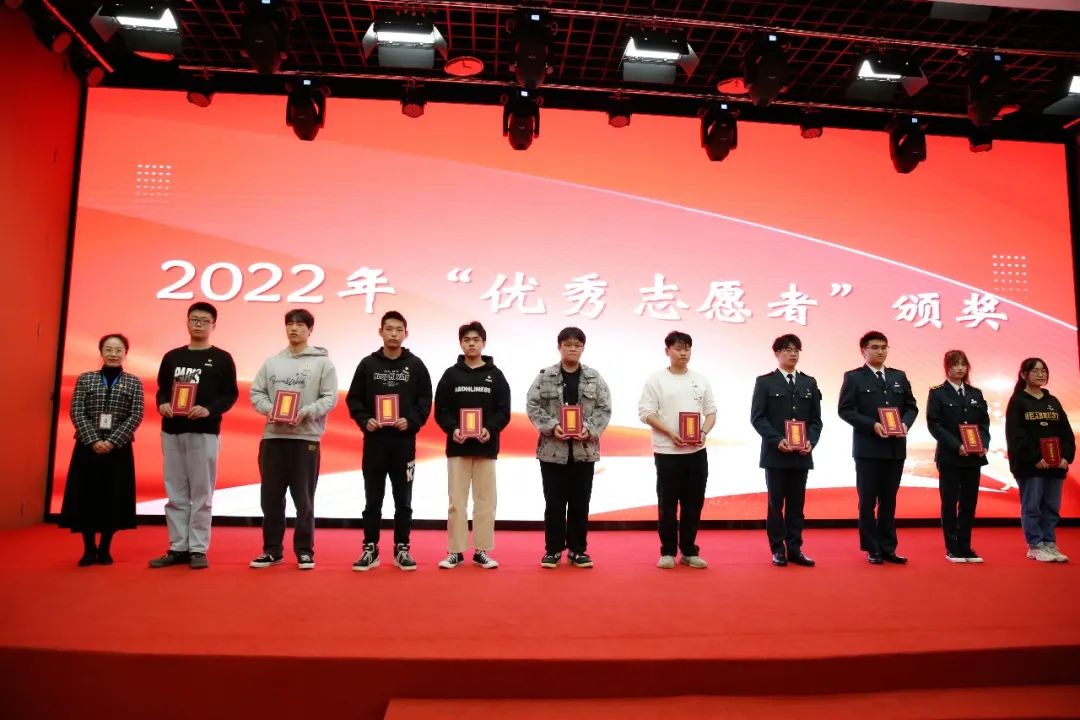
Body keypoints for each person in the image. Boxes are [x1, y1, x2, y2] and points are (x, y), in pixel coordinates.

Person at [149, 302, 239, 570]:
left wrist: (209, 409)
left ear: (214, 325)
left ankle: (198, 548)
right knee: (175, 491)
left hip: (204, 431)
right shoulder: (172, 357)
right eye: (194, 319)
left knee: (202, 492)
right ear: (187, 322)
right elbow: (161, 389)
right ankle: (178, 547)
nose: (198, 324)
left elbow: (230, 394)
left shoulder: (222, 358)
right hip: (172, 431)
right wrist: (163, 404)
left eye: (204, 320)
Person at [248, 309, 338, 571]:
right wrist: (270, 410)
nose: (294, 329)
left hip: (305, 438)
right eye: (290, 324)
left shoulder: (323, 363)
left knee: (304, 500)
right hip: (273, 437)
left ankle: (304, 551)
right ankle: (271, 551)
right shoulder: (272, 362)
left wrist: (306, 413)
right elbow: (256, 393)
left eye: (300, 325)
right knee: (271, 499)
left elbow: (329, 398)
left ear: (310, 330)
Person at [346, 311, 432, 572]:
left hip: (404, 444)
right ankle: (370, 548)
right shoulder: (368, 364)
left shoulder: (415, 365)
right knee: (372, 499)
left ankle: (402, 548)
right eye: (389, 329)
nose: (394, 334)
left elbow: (425, 400)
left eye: (399, 330)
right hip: (375, 443)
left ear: (406, 333)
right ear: (380, 332)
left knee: (403, 499)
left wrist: (412, 421)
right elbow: (354, 399)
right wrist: (365, 420)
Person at [526, 327, 612, 569]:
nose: (572, 349)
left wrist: (589, 429)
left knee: (580, 504)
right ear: (559, 347)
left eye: (577, 345)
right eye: (568, 345)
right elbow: (533, 406)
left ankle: (577, 550)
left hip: (584, 451)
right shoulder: (545, 376)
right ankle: (553, 550)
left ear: (583, 348)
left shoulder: (594, 377)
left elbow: (604, 408)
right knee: (554, 504)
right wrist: (552, 427)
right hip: (553, 451)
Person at [60, 334, 144, 566]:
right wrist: (94, 440)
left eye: (118, 350)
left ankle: (105, 548)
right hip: (87, 448)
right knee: (86, 496)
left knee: (113, 497)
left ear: (125, 353)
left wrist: (113, 441)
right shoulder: (85, 379)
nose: (113, 354)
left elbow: (136, 415)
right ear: (101, 352)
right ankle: (88, 549)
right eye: (108, 349)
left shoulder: (134, 382)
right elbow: (77, 411)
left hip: (119, 449)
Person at [433, 321, 512, 570]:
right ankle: (455, 551)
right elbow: (441, 410)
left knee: (485, 501)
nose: (471, 344)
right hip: (457, 447)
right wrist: (453, 429)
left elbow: (503, 411)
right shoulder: (450, 375)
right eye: (467, 340)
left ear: (483, 343)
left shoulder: (496, 376)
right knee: (456, 501)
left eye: (476, 340)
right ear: (461, 344)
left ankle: (481, 550)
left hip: (486, 448)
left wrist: (490, 429)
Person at [637, 331, 716, 570]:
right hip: (667, 452)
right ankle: (668, 551)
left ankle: (689, 551)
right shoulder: (656, 380)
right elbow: (646, 413)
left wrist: (703, 432)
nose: (683, 353)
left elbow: (711, 412)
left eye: (687, 349)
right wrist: (670, 433)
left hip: (697, 452)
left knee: (694, 503)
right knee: (668, 504)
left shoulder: (700, 380)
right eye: (678, 348)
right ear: (667, 351)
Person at [838, 331, 918, 565]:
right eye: (875, 347)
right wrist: (872, 425)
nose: (880, 351)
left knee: (889, 501)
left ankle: (888, 548)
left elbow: (911, 407)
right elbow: (845, 410)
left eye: (884, 347)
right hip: (868, 449)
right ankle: (872, 548)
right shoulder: (854, 377)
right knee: (867, 501)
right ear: (863, 351)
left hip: (895, 448)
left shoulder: (898, 376)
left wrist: (905, 424)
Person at [749, 334, 822, 567]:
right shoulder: (765, 382)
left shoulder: (809, 383)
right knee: (776, 504)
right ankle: (777, 549)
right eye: (788, 350)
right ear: (777, 353)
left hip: (801, 454)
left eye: (796, 350)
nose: (793, 354)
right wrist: (776, 439)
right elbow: (757, 418)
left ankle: (795, 549)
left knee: (797, 505)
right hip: (776, 454)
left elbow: (816, 420)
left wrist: (811, 441)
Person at [1005, 357, 1074, 563]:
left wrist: (1066, 457)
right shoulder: (1018, 401)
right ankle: (1035, 546)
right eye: (1035, 371)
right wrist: (1035, 457)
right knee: (1032, 506)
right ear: (1024, 375)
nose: (1040, 374)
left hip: (1055, 465)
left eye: (1043, 371)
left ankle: (1049, 543)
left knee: (1051, 506)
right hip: (1030, 466)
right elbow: (1015, 435)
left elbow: (1066, 433)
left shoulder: (1052, 401)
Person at [926, 350, 990, 563]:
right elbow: (934, 424)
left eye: (963, 364)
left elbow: (984, 423)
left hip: (973, 458)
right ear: (947, 367)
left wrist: (983, 444)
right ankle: (952, 547)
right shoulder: (938, 393)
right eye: (955, 364)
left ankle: (966, 546)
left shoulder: (975, 393)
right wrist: (956, 445)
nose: (960, 368)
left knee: (969, 503)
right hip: (950, 457)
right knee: (950, 502)